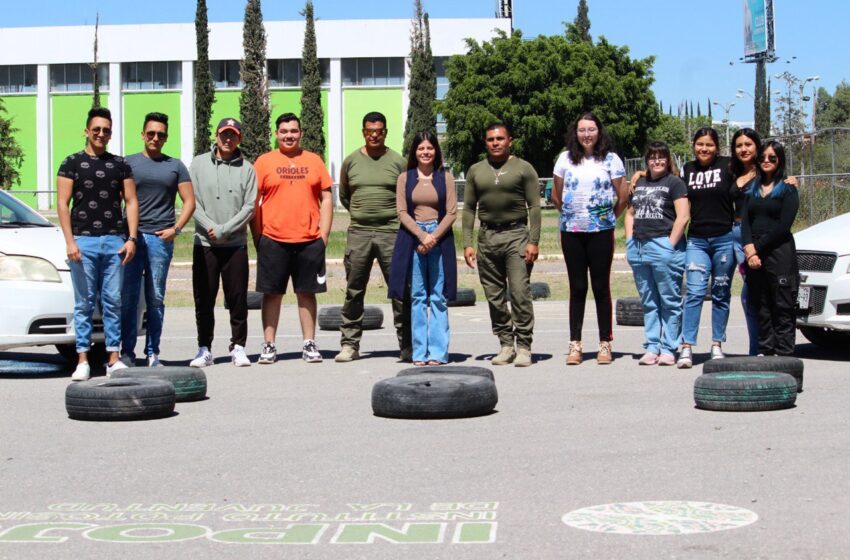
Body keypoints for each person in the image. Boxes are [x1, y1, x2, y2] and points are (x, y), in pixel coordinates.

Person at [56, 107, 138, 381]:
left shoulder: (120, 164)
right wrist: (70, 241)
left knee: (113, 301)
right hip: (83, 242)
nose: (101, 134)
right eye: (97, 129)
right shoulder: (71, 163)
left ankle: (113, 358)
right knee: (84, 303)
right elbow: (62, 204)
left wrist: (131, 239)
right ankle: (82, 360)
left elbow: (131, 202)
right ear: (87, 131)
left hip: (114, 241)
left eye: (106, 130)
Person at [252, 113, 333, 364]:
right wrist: (259, 236)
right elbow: (254, 202)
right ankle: (268, 345)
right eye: (284, 131)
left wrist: (324, 236)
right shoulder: (264, 162)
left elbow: (327, 198)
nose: (289, 135)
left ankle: (309, 343)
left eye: (294, 131)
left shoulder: (314, 161)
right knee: (272, 293)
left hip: (309, 240)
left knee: (307, 293)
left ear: (301, 134)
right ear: (276, 134)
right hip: (273, 239)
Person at [552, 112, 627, 365]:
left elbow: (623, 196)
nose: (586, 134)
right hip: (571, 232)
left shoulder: (610, 159)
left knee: (600, 287)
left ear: (599, 132)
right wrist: (572, 217)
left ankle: (605, 344)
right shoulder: (564, 159)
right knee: (578, 287)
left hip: (601, 233)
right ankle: (575, 344)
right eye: (582, 130)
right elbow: (556, 196)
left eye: (591, 129)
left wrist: (608, 220)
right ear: (575, 133)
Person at [335, 112, 411, 363]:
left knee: (400, 291)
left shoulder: (398, 162)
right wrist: (362, 214)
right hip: (359, 233)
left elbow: (407, 196)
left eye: (379, 130)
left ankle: (407, 344)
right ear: (363, 132)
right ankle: (350, 344)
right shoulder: (351, 161)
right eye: (369, 130)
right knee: (354, 290)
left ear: (386, 132)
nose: (374, 134)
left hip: (392, 233)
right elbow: (346, 196)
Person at [463, 123, 541, 367]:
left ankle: (524, 347)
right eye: (490, 139)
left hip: (516, 235)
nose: (495, 143)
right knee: (494, 297)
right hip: (487, 238)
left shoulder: (523, 168)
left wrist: (533, 241)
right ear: (485, 142)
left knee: (519, 293)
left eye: (500, 139)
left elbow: (534, 206)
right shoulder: (476, 170)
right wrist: (467, 243)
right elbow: (468, 208)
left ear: (510, 141)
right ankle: (506, 344)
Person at [120, 112, 195, 367]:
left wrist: (176, 228)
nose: (155, 138)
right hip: (132, 238)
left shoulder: (175, 166)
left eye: (160, 135)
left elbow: (190, 202)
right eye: (150, 133)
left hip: (160, 240)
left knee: (155, 298)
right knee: (128, 297)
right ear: (143, 135)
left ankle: (153, 353)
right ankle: (127, 353)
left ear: (166, 137)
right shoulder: (127, 163)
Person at [188, 118, 257, 368]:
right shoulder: (197, 164)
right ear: (216, 136)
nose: (228, 139)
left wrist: (225, 229)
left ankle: (238, 346)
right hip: (205, 244)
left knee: (237, 299)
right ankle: (204, 348)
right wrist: (211, 228)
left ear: (239, 138)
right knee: (204, 298)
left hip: (235, 244)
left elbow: (249, 207)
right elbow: (190, 201)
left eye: (233, 135)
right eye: (224, 134)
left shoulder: (247, 168)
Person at [388, 131, 457, 366]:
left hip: (439, 238)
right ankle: (419, 353)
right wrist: (421, 236)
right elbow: (401, 212)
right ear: (414, 152)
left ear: (436, 150)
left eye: (430, 148)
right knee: (418, 297)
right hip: (413, 239)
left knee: (438, 297)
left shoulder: (445, 177)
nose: (425, 152)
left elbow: (451, 212)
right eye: (421, 148)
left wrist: (433, 237)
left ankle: (437, 352)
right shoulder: (405, 178)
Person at [729, 128, 799, 356]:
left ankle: (785, 356)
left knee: (782, 306)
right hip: (754, 254)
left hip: (778, 253)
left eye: (772, 158)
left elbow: (783, 227)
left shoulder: (788, 189)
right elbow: (746, 221)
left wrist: (754, 249)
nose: (766, 161)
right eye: (763, 158)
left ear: (779, 161)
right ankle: (765, 353)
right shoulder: (753, 189)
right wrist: (750, 249)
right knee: (761, 305)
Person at [625, 141, 689, 366]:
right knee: (649, 300)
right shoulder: (639, 181)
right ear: (647, 160)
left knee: (669, 300)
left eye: (661, 157)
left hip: (664, 245)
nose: (657, 161)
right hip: (639, 247)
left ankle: (669, 347)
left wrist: (670, 245)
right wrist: (629, 240)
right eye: (652, 157)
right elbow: (630, 213)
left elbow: (683, 217)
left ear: (668, 159)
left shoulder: (675, 183)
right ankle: (652, 346)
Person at [677, 128, 737, 368]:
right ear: (694, 145)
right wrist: (640, 174)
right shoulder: (687, 170)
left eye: (709, 145)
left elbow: (756, 172)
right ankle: (687, 347)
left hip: (724, 238)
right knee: (694, 292)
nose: (704, 149)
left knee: (721, 293)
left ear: (717, 147)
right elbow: (669, 183)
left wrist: (786, 178)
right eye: (700, 144)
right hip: (697, 241)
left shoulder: (728, 166)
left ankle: (716, 345)